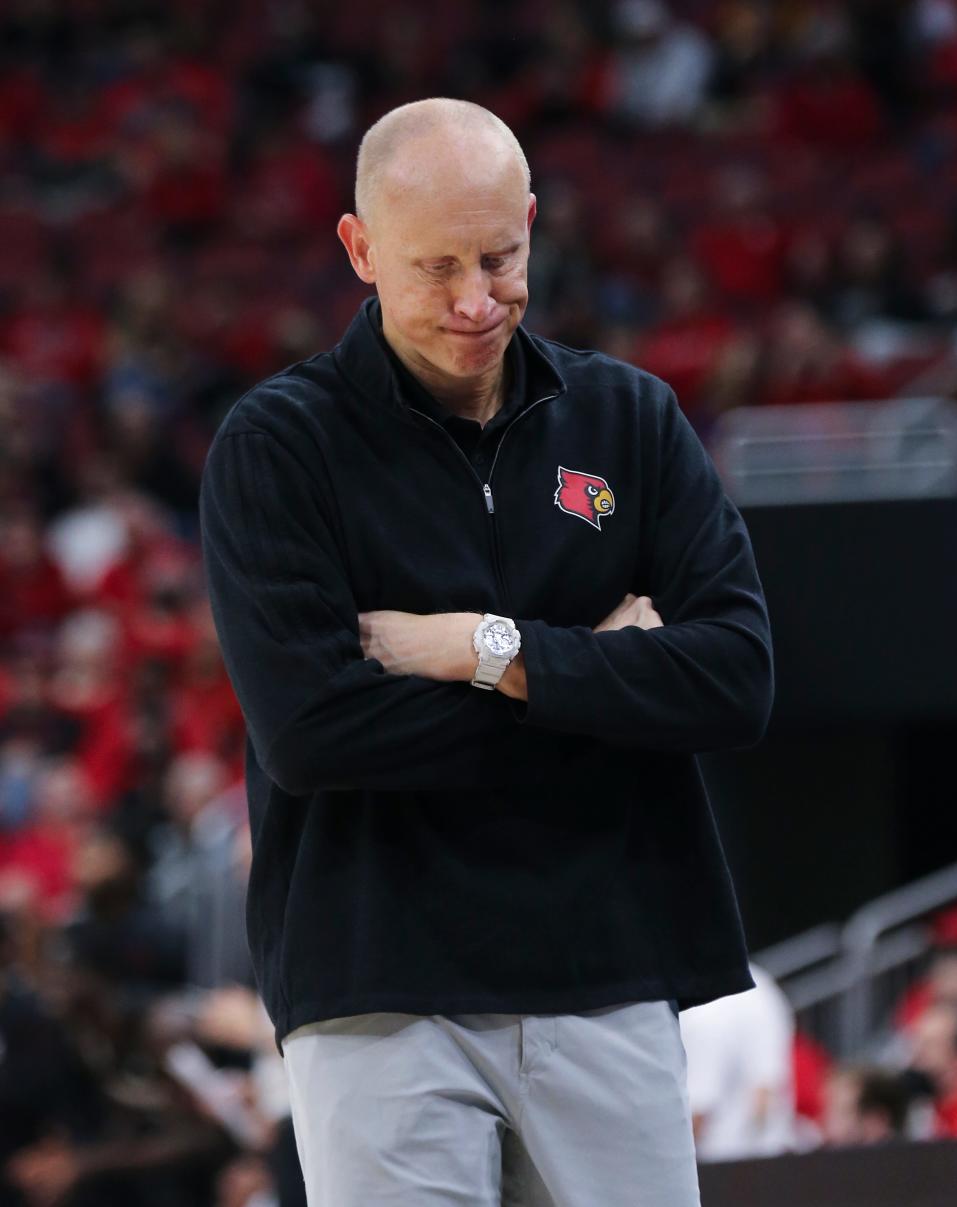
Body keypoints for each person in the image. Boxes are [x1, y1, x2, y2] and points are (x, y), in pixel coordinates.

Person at [199, 97, 774, 1207]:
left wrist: (486, 648)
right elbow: (314, 732)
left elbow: (736, 676)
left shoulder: (632, 419)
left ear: (534, 223)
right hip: (377, 985)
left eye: (500, 256)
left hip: (607, 968)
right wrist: (595, 680)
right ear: (360, 250)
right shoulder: (278, 447)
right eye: (435, 266)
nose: (474, 299)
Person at [679, 962, 796, 1160]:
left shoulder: (705, 1002)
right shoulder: (762, 986)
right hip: (767, 1157)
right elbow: (767, 1085)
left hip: (719, 1164)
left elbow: (698, 1112)